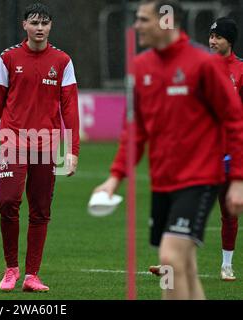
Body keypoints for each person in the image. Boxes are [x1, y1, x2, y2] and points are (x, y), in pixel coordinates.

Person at [93, 0, 243, 300]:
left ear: (166, 21)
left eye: (143, 19)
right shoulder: (140, 67)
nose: (136, 26)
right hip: (163, 181)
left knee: (170, 260)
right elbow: (134, 131)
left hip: (199, 178)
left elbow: (234, 119)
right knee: (183, 267)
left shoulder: (204, 64)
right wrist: (115, 177)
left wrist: (238, 180)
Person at [0, 2, 80, 292]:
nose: (39, 28)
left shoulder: (62, 61)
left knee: (40, 209)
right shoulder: (8, 58)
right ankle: (11, 268)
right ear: (24, 25)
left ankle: (32, 275)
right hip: (11, 141)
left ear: (51, 27)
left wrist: (72, 150)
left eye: (44, 23)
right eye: (34, 22)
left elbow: (70, 108)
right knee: (8, 202)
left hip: (47, 145)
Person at [209, 17, 243, 281]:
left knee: (228, 210)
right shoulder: (201, 68)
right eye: (211, 36)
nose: (212, 41)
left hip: (230, 151)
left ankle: (226, 265)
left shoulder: (240, 70)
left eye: (218, 37)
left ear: (229, 41)